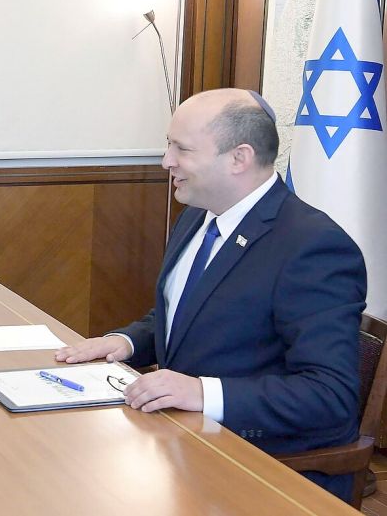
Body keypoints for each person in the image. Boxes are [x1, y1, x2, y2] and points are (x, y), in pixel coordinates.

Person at [55, 88, 366, 501]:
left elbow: (329, 396)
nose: (167, 161)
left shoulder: (313, 246)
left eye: (181, 149)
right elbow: (188, 313)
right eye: (169, 145)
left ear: (239, 158)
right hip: (180, 440)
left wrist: (202, 392)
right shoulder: (196, 217)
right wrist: (126, 342)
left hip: (262, 466)